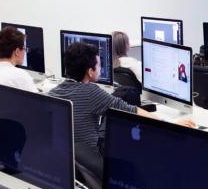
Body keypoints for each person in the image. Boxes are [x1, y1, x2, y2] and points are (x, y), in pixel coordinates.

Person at [51, 42, 194, 177]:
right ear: (90, 71)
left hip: (69, 163)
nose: (101, 69)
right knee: (124, 111)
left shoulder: (54, 92)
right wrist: (171, 125)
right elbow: (130, 110)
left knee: (120, 99)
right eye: (99, 66)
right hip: (93, 161)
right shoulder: (90, 92)